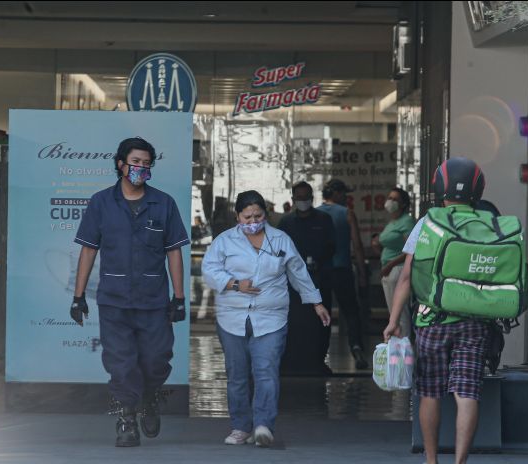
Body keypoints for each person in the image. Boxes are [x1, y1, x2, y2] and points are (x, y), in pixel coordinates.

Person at [69, 137, 189, 448]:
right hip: (114, 301)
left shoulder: (163, 203)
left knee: (157, 360)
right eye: (135, 161)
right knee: (120, 362)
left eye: (147, 163)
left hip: (153, 300)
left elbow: (174, 252)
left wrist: (179, 297)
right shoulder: (101, 203)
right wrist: (78, 296)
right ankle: (126, 418)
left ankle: (148, 398)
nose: (141, 168)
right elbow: (88, 250)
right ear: (121, 163)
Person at [384, 157, 492, 464]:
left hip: (432, 320)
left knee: (429, 392)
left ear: (439, 188)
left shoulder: (428, 223)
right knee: (467, 392)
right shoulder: (489, 221)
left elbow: (405, 278)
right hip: (474, 321)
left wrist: (393, 321)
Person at [202, 190, 331, 447]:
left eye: (258, 216)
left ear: (266, 215)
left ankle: (263, 426)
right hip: (232, 317)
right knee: (237, 374)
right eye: (247, 217)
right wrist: (235, 283)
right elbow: (209, 270)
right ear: (237, 216)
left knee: (266, 371)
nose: (253, 221)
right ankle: (240, 426)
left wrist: (316, 302)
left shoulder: (281, 240)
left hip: (271, 317)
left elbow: (298, 272)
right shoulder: (225, 241)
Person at [278, 182, 336, 375]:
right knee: (294, 321)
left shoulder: (324, 220)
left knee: (321, 322)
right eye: (299, 197)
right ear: (293, 199)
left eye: (306, 197)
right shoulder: (286, 223)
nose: (303, 201)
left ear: (312, 197)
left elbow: (332, 246)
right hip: (292, 284)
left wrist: (318, 262)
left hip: (320, 279)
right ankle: (292, 361)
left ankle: (317, 361)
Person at [317, 179, 369, 369]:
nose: (346, 197)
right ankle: (356, 348)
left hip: (321, 272)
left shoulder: (315, 213)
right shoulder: (347, 213)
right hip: (342, 270)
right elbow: (357, 245)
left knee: (323, 313)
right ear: (335, 193)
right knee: (351, 312)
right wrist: (362, 274)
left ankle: (319, 355)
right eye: (344, 193)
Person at [372, 188, 416, 336]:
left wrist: (389, 265)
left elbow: (410, 250)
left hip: (398, 269)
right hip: (389, 270)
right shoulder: (393, 222)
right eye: (389, 197)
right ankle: (397, 345)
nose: (390, 201)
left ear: (403, 204)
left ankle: (404, 347)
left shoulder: (407, 222)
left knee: (399, 312)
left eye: (395, 199)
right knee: (393, 312)